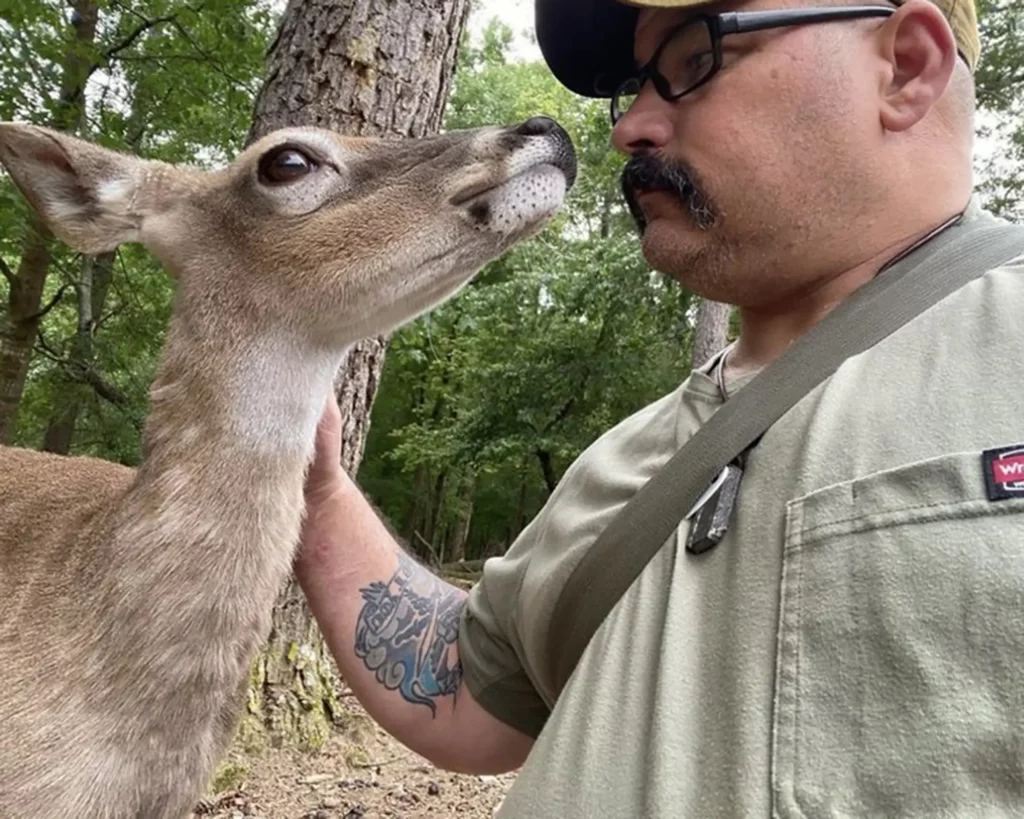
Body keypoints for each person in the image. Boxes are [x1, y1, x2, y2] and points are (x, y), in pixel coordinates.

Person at [295, 0, 1024, 814]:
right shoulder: (624, 458)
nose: (631, 128)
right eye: (638, 85)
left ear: (908, 67)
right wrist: (316, 489)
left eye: (693, 59)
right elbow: (464, 689)